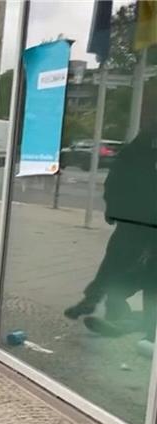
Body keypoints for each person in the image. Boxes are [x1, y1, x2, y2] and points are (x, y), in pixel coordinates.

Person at [63, 123, 156, 342]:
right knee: (120, 265)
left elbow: (114, 181)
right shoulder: (139, 150)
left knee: (128, 269)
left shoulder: (136, 149)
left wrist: (114, 209)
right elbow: (115, 181)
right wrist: (114, 208)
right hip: (136, 222)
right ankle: (122, 317)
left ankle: (137, 324)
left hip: (138, 222)